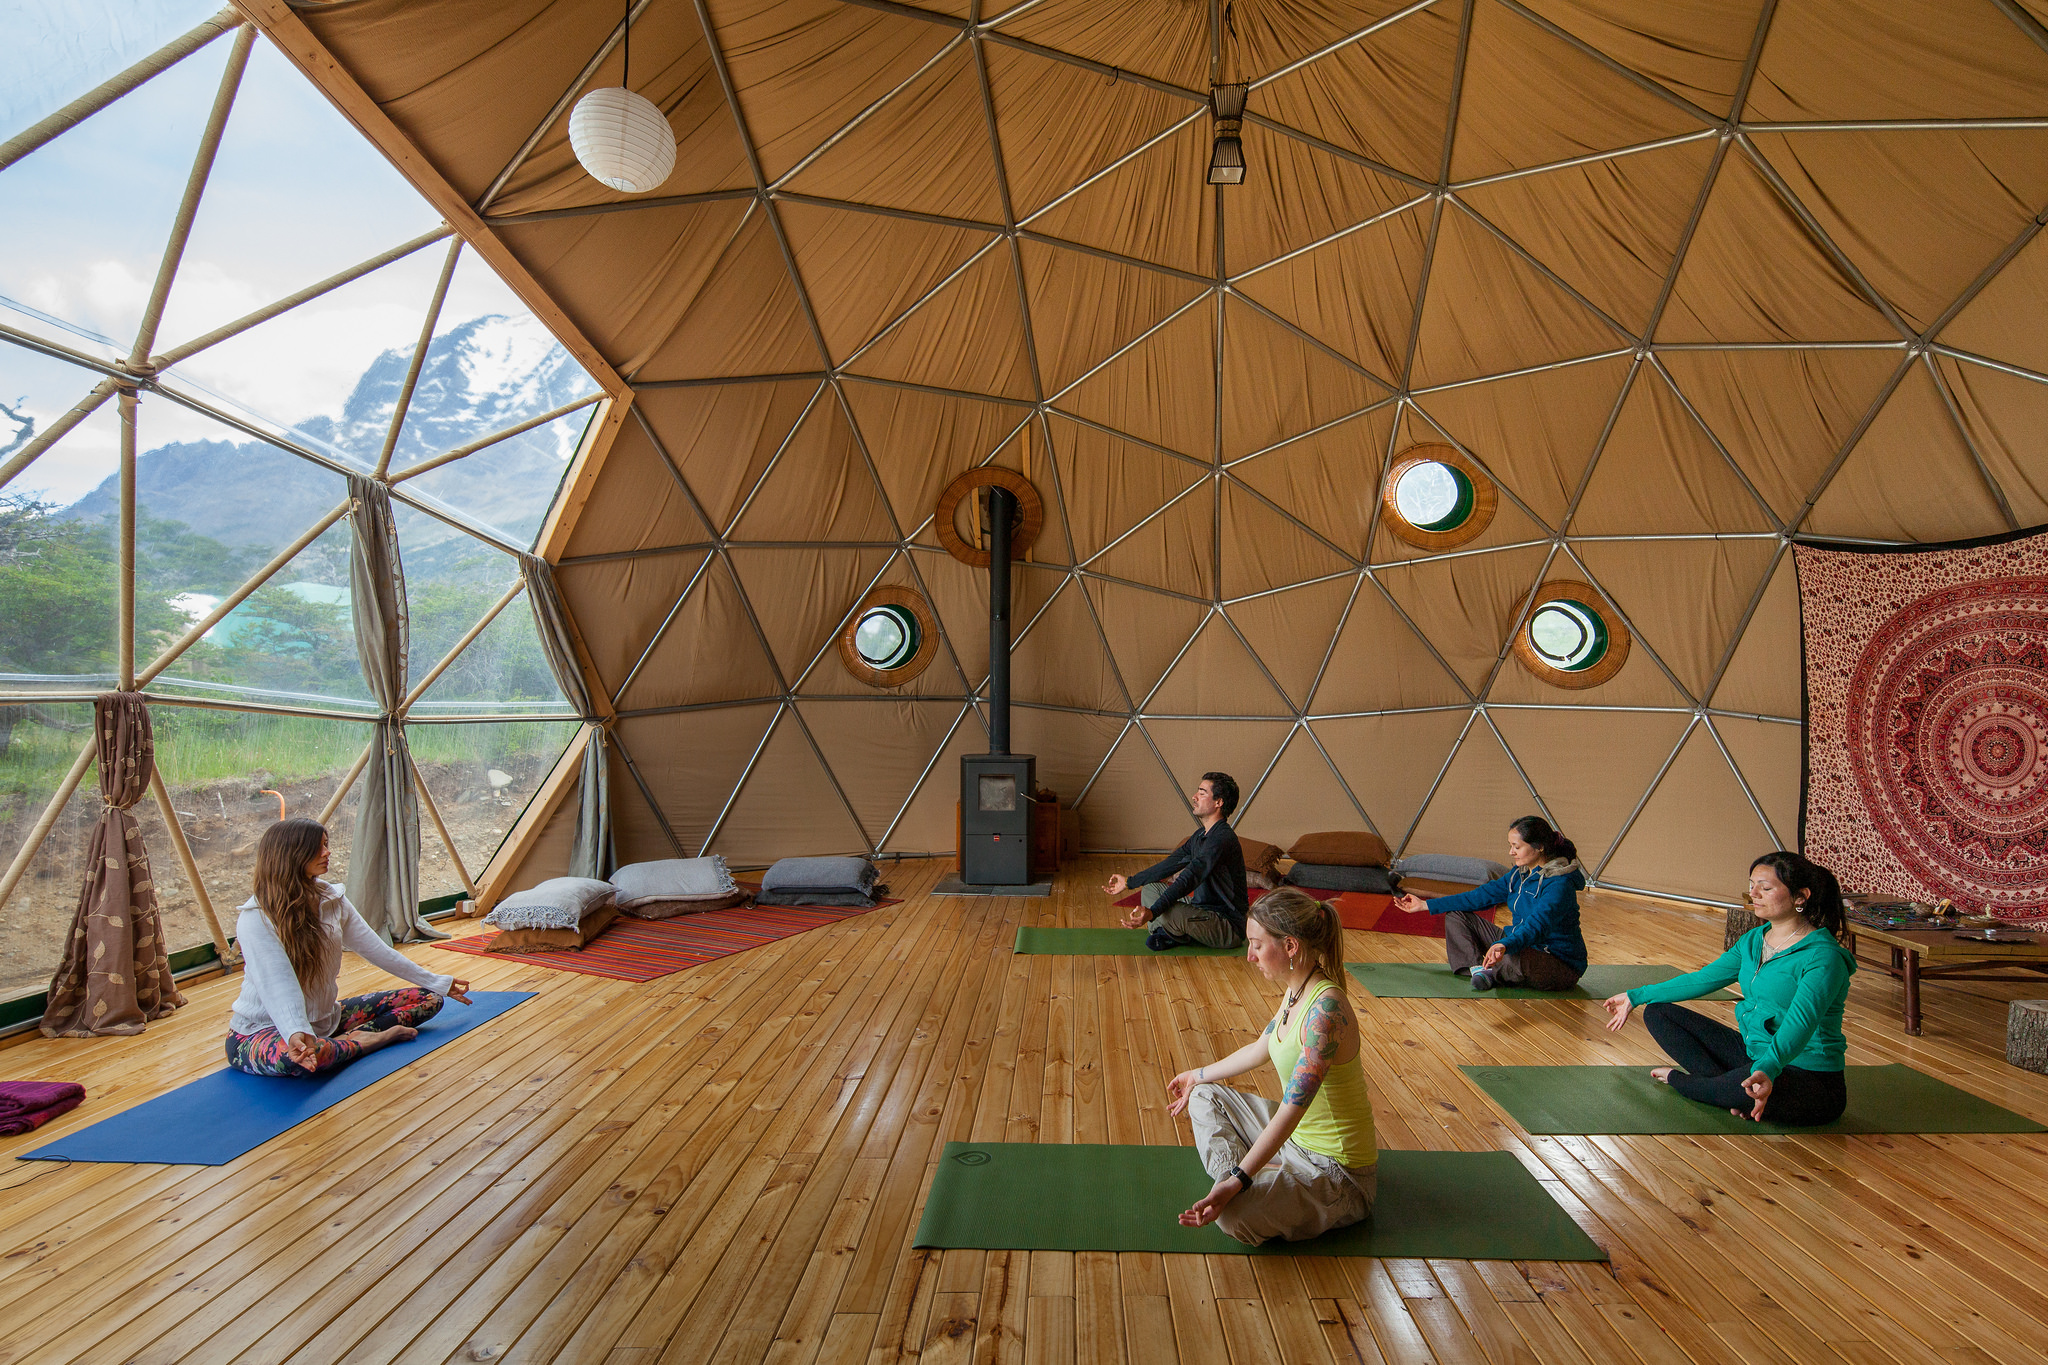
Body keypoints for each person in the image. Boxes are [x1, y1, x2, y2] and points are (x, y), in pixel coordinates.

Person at [1166, 887, 1377, 1243]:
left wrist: (1239, 1181)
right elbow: (1261, 1047)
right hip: (1295, 1143)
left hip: (1339, 1174)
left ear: (1290, 946)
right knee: (1203, 1095)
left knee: (1234, 1218)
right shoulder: (1296, 990)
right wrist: (1195, 1075)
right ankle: (1244, 1178)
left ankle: (1239, 1183)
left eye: (1257, 945)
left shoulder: (1325, 1011)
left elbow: (1292, 1110)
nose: (1250, 956)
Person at [1604, 851, 1855, 1125]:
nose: (1754, 894)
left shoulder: (1823, 957)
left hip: (1808, 1076)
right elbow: (1702, 980)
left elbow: (1800, 1025)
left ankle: (1689, 1083)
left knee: (1741, 1082)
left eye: (1766, 887)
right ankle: (1731, 1090)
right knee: (1658, 1013)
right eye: (1752, 885)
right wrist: (1635, 996)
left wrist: (1768, 1068)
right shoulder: (1753, 941)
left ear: (1800, 897)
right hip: (1753, 1053)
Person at [226, 818, 471, 1077]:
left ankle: (344, 1043)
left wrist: (437, 982)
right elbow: (278, 983)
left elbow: (378, 951)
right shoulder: (256, 917)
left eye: (326, 844)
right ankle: (363, 1041)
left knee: (429, 999)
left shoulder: (331, 899)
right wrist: (297, 1031)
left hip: (325, 1021)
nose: (327, 852)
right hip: (262, 1031)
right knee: (298, 1058)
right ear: (292, 854)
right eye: (318, 847)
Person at [1390, 815, 1587, 991]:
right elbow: (1479, 897)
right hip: (1520, 944)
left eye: (1517, 847)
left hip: (1557, 963)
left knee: (1513, 957)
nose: (1511, 852)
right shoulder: (1519, 874)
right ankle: (1480, 970)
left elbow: (1537, 926)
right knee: (1457, 915)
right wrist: (1425, 905)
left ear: (1539, 847)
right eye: (1511, 846)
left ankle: (1491, 971)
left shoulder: (1559, 884)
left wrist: (1504, 944)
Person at [1102, 772, 1249, 951]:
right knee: (1150, 889)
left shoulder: (1221, 839)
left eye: (1202, 793)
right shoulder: (1200, 836)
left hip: (1226, 926)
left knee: (1167, 910)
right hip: (1200, 911)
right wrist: (1129, 882)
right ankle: (1174, 932)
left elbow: (1191, 877)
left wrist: (1153, 912)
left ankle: (1170, 932)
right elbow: (1170, 864)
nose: (1194, 797)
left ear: (1219, 802)